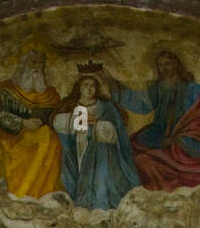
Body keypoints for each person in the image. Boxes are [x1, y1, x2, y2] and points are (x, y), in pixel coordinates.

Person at [106, 51, 200, 192]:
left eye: (167, 64)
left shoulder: (194, 90)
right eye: (160, 65)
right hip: (159, 136)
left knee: (145, 161)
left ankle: (161, 192)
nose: (163, 68)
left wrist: (178, 139)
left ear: (176, 64)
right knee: (127, 152)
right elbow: (141, 104)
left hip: (187, 143)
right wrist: (112, 84)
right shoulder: (159, 87)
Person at [0, 46, 63, 199]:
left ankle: (44, 194)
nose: (36, 68)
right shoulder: (7, 90)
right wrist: (23, 122)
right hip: (13, 137)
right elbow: (0, 115)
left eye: (40, 64)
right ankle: (20, 193)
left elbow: (56, 115)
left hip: (42, 135)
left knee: (51, 139)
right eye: (32, 63)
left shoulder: (50, 94)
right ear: (23, 65)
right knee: (33, 144)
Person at [52, 71, 140, 209]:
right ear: (79, 87)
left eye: (93, 85)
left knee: (102, 168)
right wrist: (80, 120)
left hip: (100, 151)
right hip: (76, 149)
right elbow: (57, 122)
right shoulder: (70, 105)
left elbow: (115, 131)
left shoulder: (106, 106)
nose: (89, 88)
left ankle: (100, 203)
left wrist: (97, 125)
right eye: (86, 84)